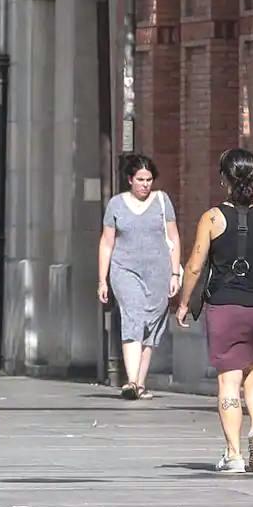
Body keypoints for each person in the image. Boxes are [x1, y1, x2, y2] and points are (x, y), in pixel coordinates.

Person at [176, 149, 253, 473]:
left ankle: (234, 453)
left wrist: (184, 303)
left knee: (229, 381)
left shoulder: (212, 218)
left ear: (223, 179)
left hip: (224, 308)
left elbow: (195, 264)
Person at [98, 154, 182, 400]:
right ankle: (131, 381)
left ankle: (140, 383)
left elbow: (174, 238)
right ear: (130, 180)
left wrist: (175, 273)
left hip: (159, 271)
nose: (145, 184)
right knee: (133, 316)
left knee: (152, 326)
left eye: (149, 179)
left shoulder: (162, 201)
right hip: (124, 269)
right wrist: (103, 279)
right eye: (140, 179)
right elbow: (106, 243)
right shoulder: (116, 204)